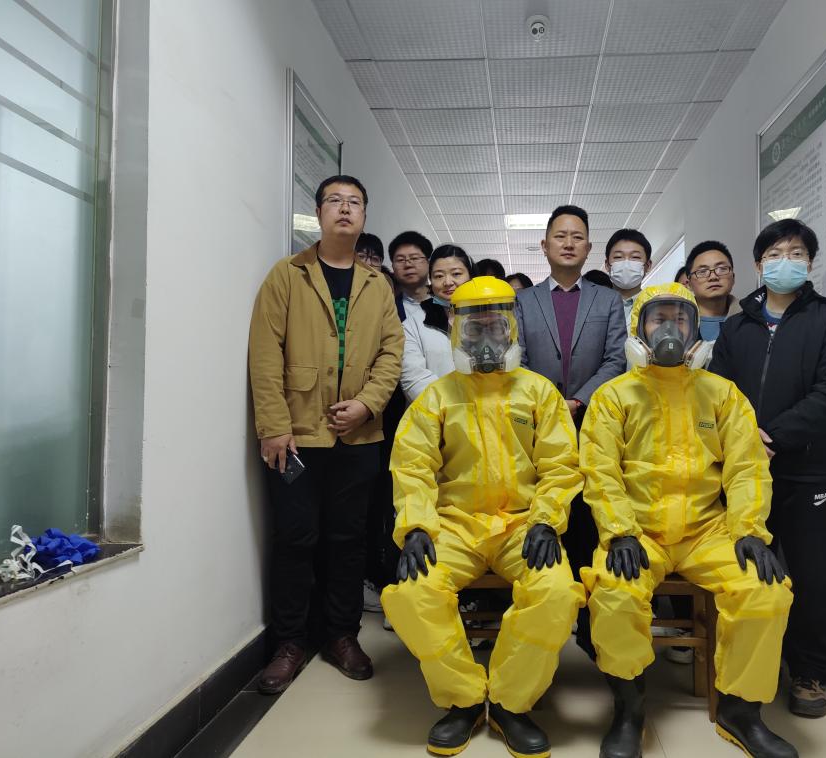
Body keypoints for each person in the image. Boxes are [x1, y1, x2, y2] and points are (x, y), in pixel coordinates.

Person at [581, 283, 796, 758]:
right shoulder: (613, 397)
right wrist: (618, 530)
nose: (670, 330)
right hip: (638, 532)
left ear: (696, 330)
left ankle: (742, 712)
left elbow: (747, 467)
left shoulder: (722, 394)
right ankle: (629, 710)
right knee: (614, 593)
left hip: (706, 531)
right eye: (658, 319)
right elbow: (599, 470)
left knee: (765, 589)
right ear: (639, 329)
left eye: (680, 320)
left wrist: (750, 530)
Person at [381, 277, 585, 758]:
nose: (486, 340)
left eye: (496, 327)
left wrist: (546, 520)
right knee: (412, 594)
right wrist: (416, 526)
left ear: (512, 328)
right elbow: (413, 466)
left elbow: (561, 465)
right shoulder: (437, 397)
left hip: (523, 525)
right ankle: (465, 700)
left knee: (557, 593)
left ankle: (512, 703)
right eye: (475, 330)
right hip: (454, 525)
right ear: (457, 331)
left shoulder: (539, 392)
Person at [249, 175, 404, 693]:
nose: (344, 209)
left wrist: (367, 404)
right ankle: (289, 643)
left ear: (364, 216)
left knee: (347, 540)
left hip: (359, 437)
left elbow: (391, 354)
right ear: (318, 213)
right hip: (296, 437)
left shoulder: (377, 285)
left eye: (354, 202)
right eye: (334, 201)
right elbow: (265, 354)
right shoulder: (287, 275)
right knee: (295, 539)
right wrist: (274, 426)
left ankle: (341, 635)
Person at [709, 219, 826, 719]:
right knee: (745, 567)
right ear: (758, 264)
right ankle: (747, 666)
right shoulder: (737, 327)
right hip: (741, 472)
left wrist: (770, 437)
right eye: (774, 254)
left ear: (810, 262)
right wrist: (744, 443)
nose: (785, 261)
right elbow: (717, 393)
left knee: (813, 574)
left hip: (805, 470)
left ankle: (811, 672)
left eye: (795, 253)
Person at [514, 204, 627, 658]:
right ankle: (546, 619)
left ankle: (589, 623)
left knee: (588, 518)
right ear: (544, 246)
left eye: (577, 236)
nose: (568, 243)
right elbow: (518, 360)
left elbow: (616, 359)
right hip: (538, 427)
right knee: (543, 511)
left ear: (588, 247)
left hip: (592, 422)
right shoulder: (523, 301)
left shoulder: (607, 300)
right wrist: (548, 404)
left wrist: (577, 400)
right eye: (560, 236)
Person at [400, 245, 474, 401]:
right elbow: (414, 378)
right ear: (430, 280)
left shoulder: (486, 317)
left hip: (483, 407)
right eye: (439, 276)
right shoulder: (413, 324)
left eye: (456, 274)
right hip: (434, 410)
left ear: (470, 275)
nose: (447, 282)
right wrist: (452, 405)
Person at [684, 240, 739, 370]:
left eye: (722, 269)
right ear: (689, 284)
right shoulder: (677, 322)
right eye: (702, 271)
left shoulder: (750, 320)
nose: (713, 277)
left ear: (733, 278)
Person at [604, 229, 653, 325]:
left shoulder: (656, 305)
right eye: (618, 257)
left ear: (648, 265)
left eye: (635, 257)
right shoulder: (593, 304)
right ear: (607, 265)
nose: (626, 264)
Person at [390, 231, 433, 322]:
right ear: (393, 267)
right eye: (400, 260)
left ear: (429, 263)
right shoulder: (389, 310)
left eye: (414, 258)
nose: (408, 264)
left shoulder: (448, 300)